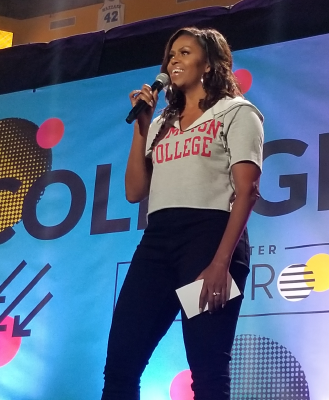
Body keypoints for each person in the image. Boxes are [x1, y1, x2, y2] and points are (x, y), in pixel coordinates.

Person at [101, 27, 264, 400]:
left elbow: (247, 191)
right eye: (171, 54)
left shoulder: (236, 113)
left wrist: (220, 263)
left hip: (208, 242)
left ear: (209, 64)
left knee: (207, 371)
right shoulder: (160, 124)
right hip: (158, 241)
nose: (174, 59)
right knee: (121, 364)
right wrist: (142, 127)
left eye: (185, 52)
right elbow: (134, 192)